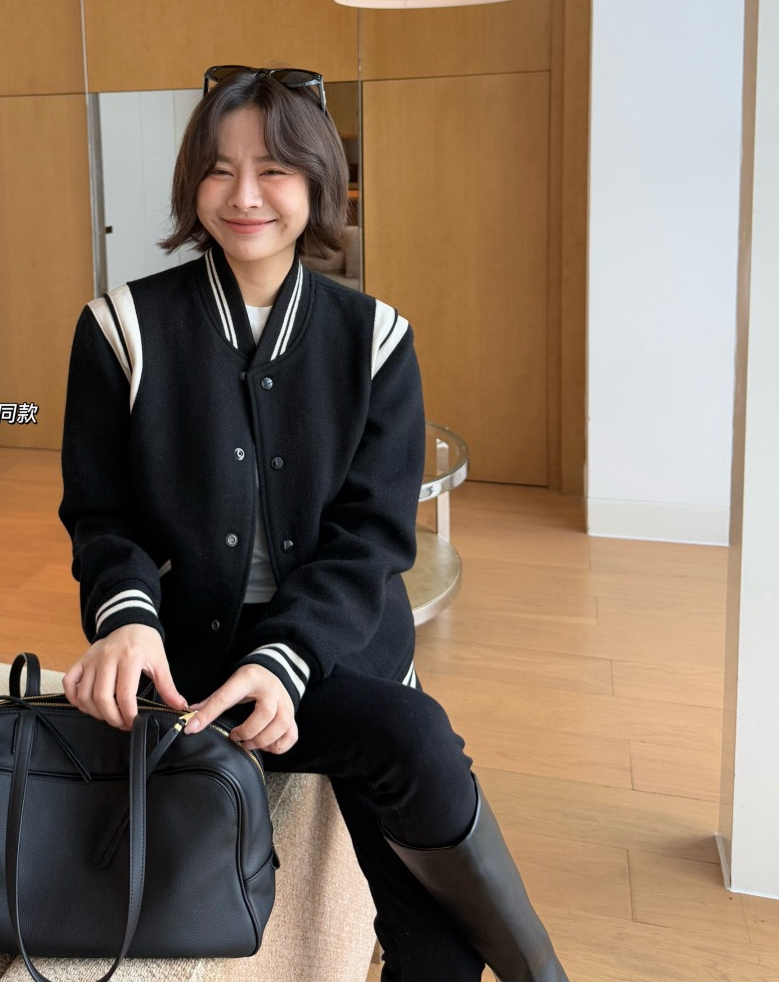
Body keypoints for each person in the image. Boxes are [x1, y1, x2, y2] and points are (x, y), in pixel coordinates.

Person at [58, 65, 570, 982]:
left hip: (330, 647)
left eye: (275, 170)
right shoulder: (119, 328)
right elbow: (101, 514)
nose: (244, 195)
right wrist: (127, 618)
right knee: (413, 744)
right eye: (219, 169)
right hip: (188, 662)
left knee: (415, 797)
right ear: (192, 183)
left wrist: (285, 659)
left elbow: (372, 538)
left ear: (319, 182)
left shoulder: (376, 338)